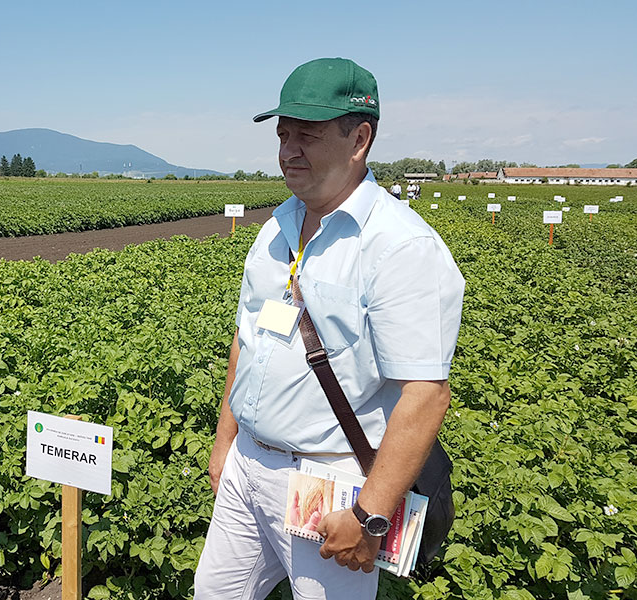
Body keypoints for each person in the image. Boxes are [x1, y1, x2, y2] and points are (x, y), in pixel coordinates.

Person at [193, 58, 465, 600]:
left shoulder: (400, 247)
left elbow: (426, 395)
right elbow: (247, 341)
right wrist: (226, 442)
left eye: (307, 136)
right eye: (283, 134)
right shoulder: (276, 226)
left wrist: (369, 515)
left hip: (331, 482)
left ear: (359, 138)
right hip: (248, 464)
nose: (288, 150)